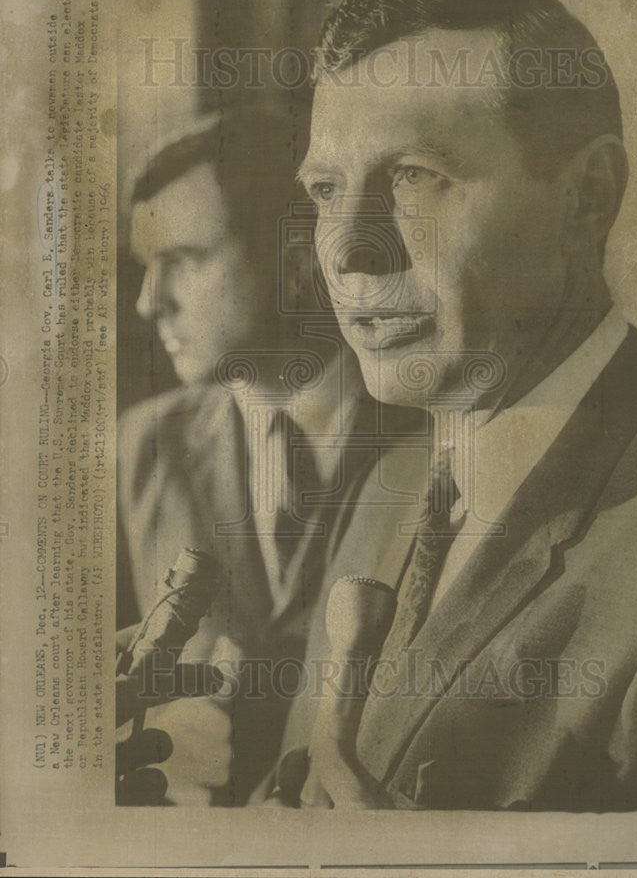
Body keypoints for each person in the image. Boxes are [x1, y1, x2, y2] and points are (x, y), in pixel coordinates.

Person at [267, 0, 637, 812]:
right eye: (327, 191)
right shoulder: (394, 484)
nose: (348, 253)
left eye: (412, 176)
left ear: (587, 197)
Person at [116, 109, 424, 805]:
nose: (147, 303)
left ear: (293, 260)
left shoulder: (431, 438)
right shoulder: (138, 449)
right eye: (145, 268)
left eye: (184, 260)